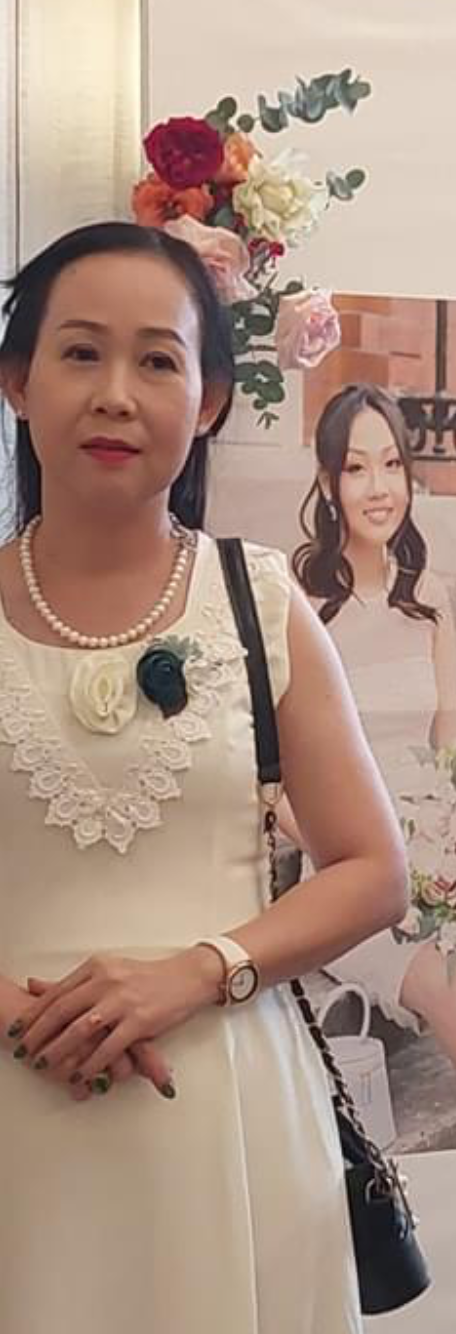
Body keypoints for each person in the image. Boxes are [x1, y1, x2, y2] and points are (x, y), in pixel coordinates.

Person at [0, 223, 407, 1334]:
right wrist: (23, 1019)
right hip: (7, 1107)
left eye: (158, 360)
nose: (117, 394)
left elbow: (374, 871)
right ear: (16, 382)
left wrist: (196, 972)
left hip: (231, 1105)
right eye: (81, 352)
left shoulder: (262, 600)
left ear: (211, 400)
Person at [292, 382, 456, 1065]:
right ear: (329, 485)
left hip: (436, 860)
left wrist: (439, 851)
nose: (380, 488)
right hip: (349, 877)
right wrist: (368, 850)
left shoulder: (430, 599)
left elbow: (448, 748)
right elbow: (274, 785)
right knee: (443, 987)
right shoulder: (300, 610)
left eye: (392, 465)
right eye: (357, 469)